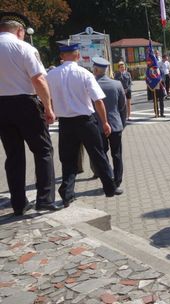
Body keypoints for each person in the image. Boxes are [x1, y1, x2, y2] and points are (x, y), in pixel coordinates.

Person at [0, 12, 62, 215]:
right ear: (19, 31)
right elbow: (38, 80)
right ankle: (44, 199)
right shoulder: (24, 47)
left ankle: (18, 203)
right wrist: (49, 108)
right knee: (43, 150)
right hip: (25, 103)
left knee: (13, 155)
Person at [46, 42, 122, 207]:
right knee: (98, 154)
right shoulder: (84, 73)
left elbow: (46, 97)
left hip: (65, 123)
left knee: (68, 159)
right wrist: (105, 122)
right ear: (78, 55)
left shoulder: (51, 75)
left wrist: (50, 110)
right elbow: (98, 101)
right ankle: (110, 188)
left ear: (61, 56)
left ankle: (67, 193)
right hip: (85, 121)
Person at [93, 57, 127, 189]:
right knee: (117, 154)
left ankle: (108, 178)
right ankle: (117, 181)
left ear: (96, 70)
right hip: (115, 124)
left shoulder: (91, 84)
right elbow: (122, 105)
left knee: (101, 154)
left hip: (97, 125)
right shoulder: (117, 84)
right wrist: (122, 122)